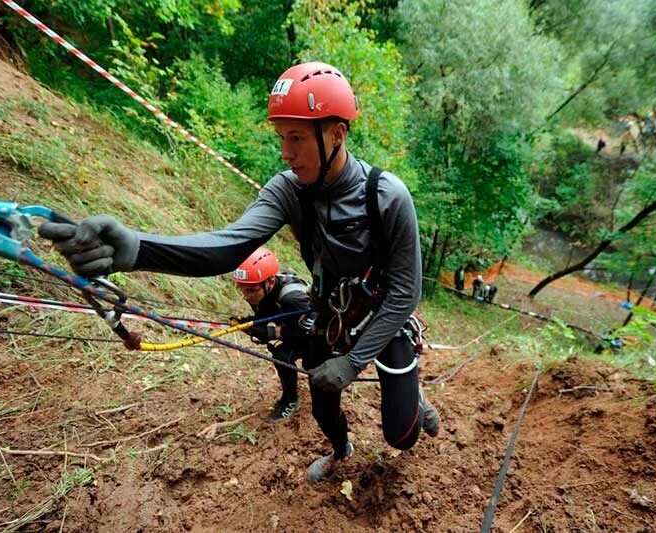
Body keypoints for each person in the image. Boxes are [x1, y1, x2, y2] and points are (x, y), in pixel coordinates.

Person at [39, 61, 439, 483]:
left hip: (383, 319)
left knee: (402, 436)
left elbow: (405, 293)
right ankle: (342, 450)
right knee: (323, 403)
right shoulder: (289, 190)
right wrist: (137, 248)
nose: (286, 152)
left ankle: (414, 397)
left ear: (336, 134)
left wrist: (355, 361)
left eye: (297, 138)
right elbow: (226, 248)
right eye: (282, 137)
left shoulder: (387, 196)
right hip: (331, 318)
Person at [231, 247, 310, 423]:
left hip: (320, 337)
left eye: (251, 291)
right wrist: (251, 324)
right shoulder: (261, 292)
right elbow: (267, 314)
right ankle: (288, 397)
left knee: (285, 357)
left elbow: (312, 330)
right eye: (242, 290)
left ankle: (291, 401)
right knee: (281, 356)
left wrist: (271, 333)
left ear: (270, 282)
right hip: (297, 327)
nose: (246, 297)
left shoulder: (294, 298)